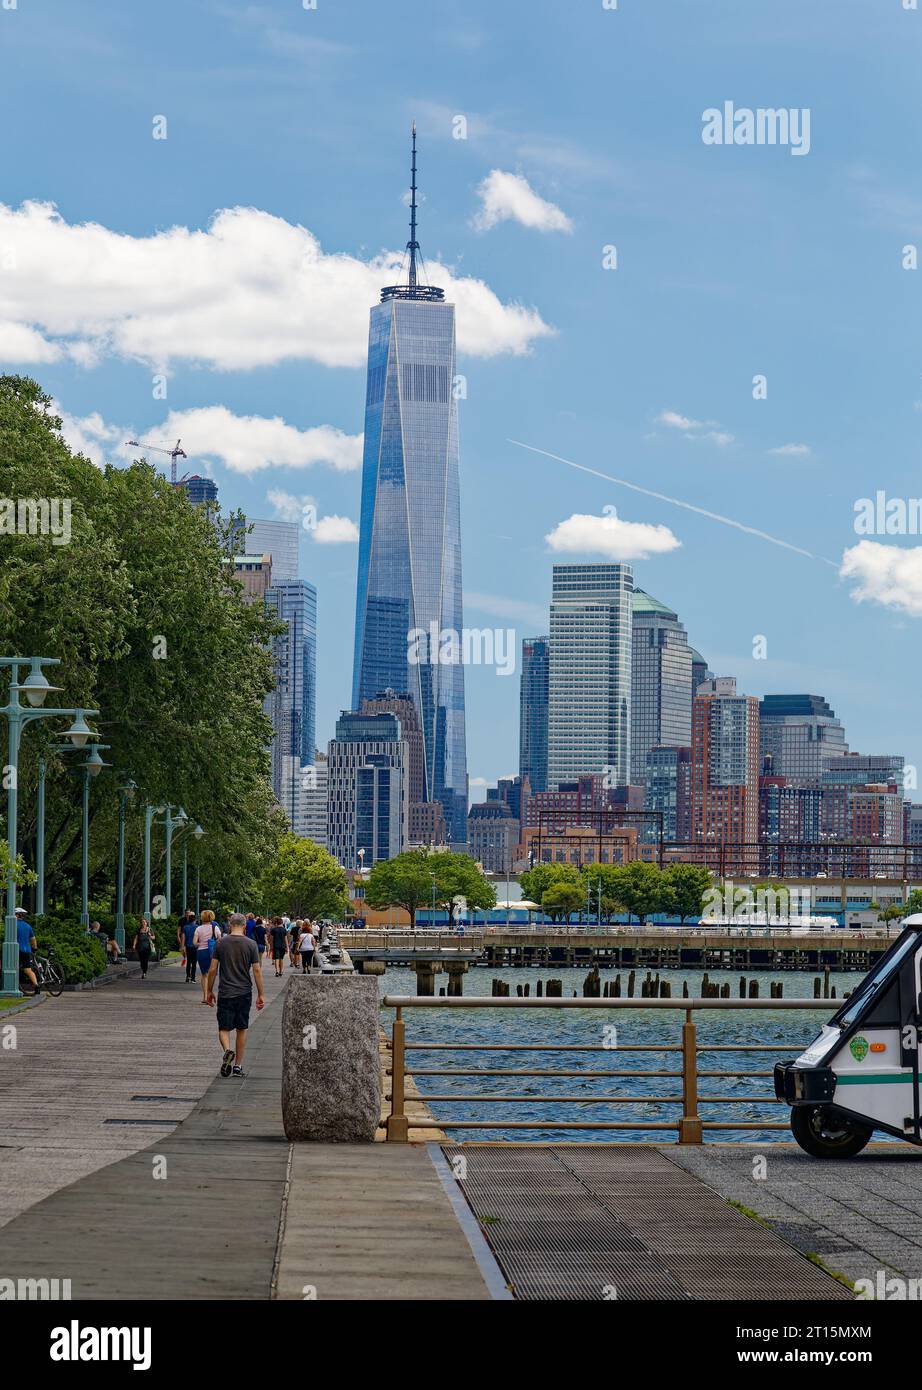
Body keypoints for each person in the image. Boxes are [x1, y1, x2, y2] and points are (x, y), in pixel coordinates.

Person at [206, 912, 265, 1078]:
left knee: (224, 1028)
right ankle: (238, 1066)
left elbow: (212, 969)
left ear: (230, 925)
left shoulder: (220, 943)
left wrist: (209, 991)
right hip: (244, 992)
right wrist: (261, 994)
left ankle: (227, 1050)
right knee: (241, 1029)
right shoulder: (251, 944)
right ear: (245, 926)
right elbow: (257, 970)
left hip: (225, 991)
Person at [192, 911, 221, 1003]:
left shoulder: (198, 929)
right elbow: (220, 941)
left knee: (204, 974)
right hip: (213, 953)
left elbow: (194, 943)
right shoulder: (215, 928)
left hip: (201, 952)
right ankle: (210, 993)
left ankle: (205, 997)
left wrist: (202, 943)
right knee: (211, 972)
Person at [14, 907, 39, 995]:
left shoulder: (13, 925)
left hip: (17, 950)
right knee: (28, 970)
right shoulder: (28, 926)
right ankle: (36, 986)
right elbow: (33, 939)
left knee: (14, 968)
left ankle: (14, 987)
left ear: (16, 915)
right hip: (27, 950)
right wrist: (34, 949)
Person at [178, 910, 198, 982]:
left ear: (188, 920)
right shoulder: (197, 927)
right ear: (195, 920)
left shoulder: (185, 927)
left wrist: (182, 947)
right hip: (195, 947)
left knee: (188, 962)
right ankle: (193, 978)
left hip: (188, 947)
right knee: (194, 963)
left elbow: (183, 938)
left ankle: (188, 976)